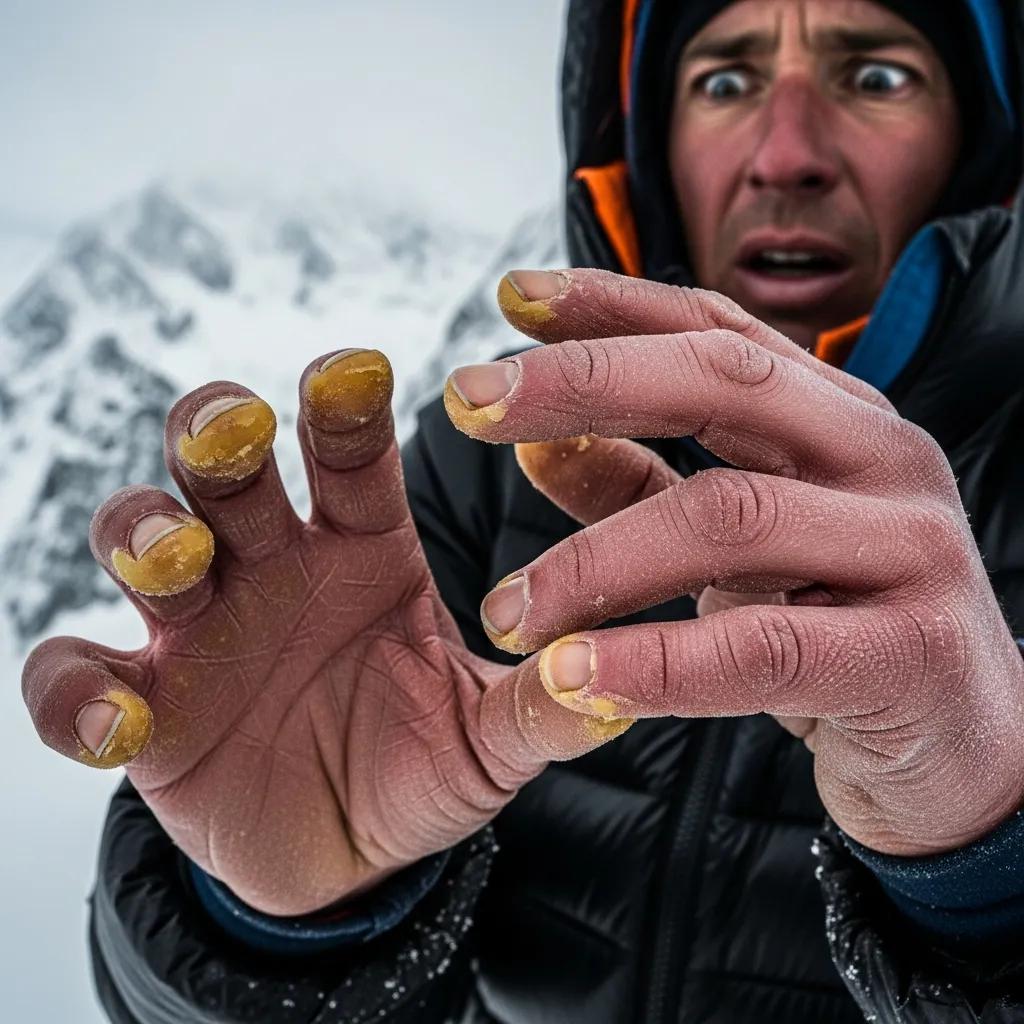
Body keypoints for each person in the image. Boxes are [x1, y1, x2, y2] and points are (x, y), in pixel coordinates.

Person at [22, 0, 1024, 1020]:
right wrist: (279, 923)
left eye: (877, 76)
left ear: (984, 138)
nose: (786, 151)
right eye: (722, 80)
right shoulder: (497, 459)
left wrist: (986, 858)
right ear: (642, 144)